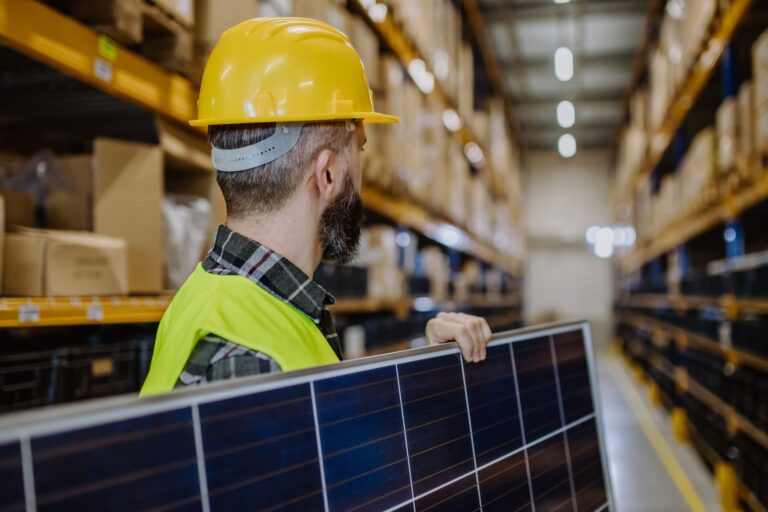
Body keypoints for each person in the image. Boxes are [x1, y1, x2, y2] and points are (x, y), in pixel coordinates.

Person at [140, 18, 491, 395]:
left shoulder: (219, 300)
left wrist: (423, 365)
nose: (362, 175)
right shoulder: (247, 366)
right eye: (360, 150)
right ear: (326, 175)